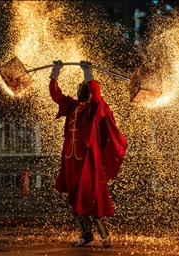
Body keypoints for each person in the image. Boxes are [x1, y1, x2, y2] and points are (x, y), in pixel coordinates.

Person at [48, 60, 127, 248]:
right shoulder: (72, 105)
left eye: (85, 87)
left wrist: (89, 74)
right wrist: (55, 72)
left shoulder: (96, 107)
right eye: (81, 87)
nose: (81, 90)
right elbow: (55, 94)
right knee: (75, 196)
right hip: (70, 158)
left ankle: (104, 235)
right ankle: (85, 234)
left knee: (91, 196)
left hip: (88, 160)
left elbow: (97, 95)